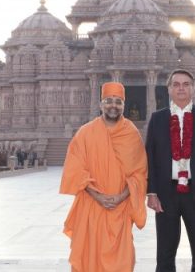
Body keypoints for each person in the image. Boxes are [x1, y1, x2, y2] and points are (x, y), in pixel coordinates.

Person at [59, 81, 148, 272]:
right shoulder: (85, 133)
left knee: (122, 261)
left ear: (124, 105)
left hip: (120, 208)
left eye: (118, 101)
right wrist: (98, 196)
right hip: (91, 206)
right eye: (108, 101)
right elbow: (75, 169)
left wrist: (120, 197)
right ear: (100, 104)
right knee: (89, 258)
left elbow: (139, 173)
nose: (113, 106)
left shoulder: (131, 133)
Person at [145, 69, 195, 272]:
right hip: (166, 194)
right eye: (176, 84)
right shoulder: (157, 119)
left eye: (186, 84)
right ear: (169, 89)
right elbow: (150, 158)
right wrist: (151, 192)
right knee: (164, 253)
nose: (181, 88)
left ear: (193, 88)